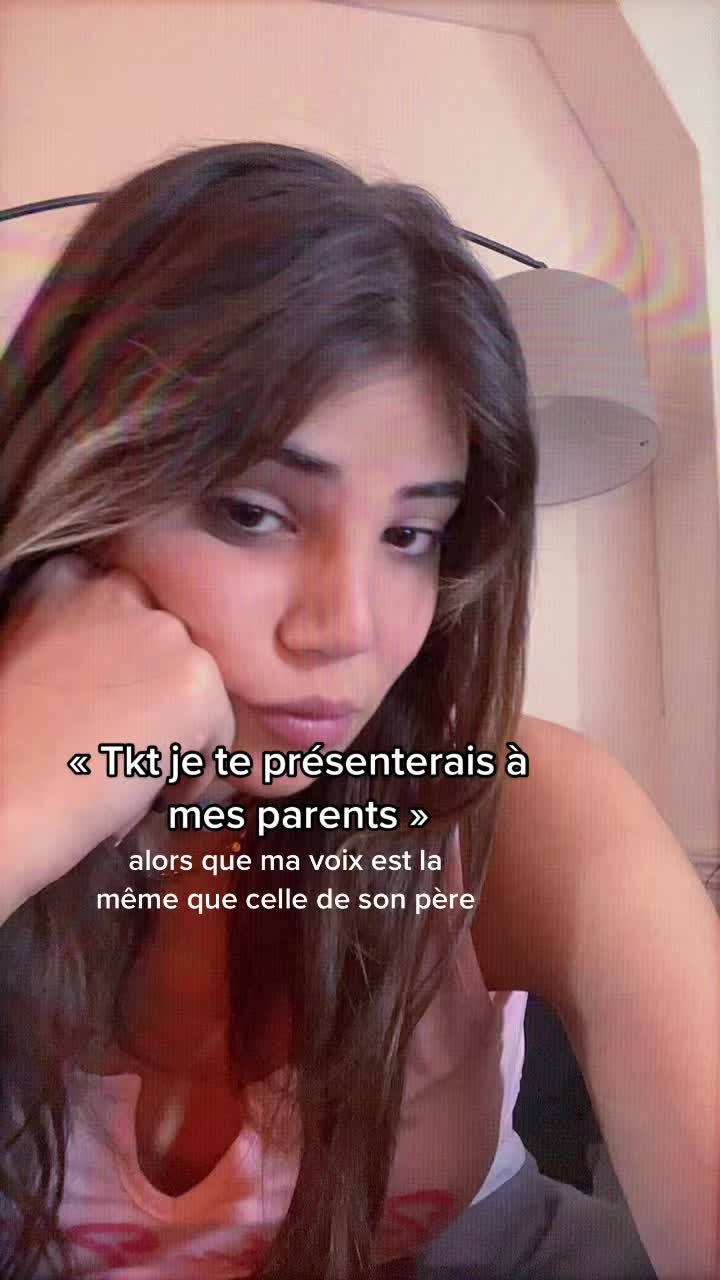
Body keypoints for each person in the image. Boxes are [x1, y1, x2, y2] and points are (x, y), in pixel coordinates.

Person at [0, 142, 717, 1280]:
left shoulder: (513, 806)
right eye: (251, 512)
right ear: (76, 496)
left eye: (410, 534)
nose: (347, 629)